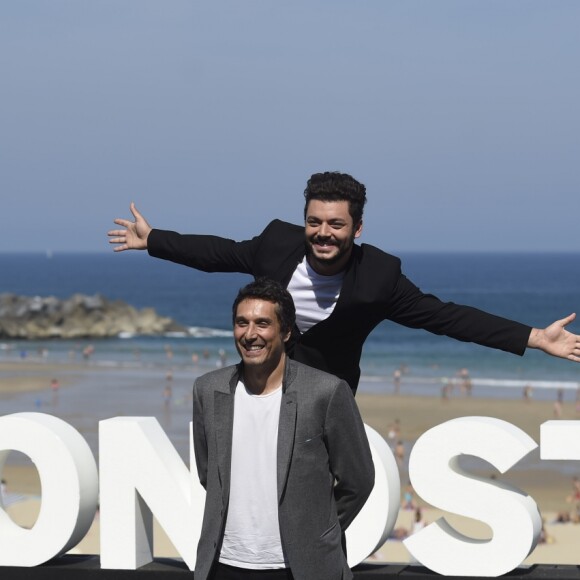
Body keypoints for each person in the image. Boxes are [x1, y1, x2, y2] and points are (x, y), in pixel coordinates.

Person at [108, 172, 580, 394]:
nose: (323, 234)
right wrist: (155, 241)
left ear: (357, 229)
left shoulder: (379, 278)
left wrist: (536, 338)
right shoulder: (276, 244)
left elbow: (446, 317)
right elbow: (219, 253)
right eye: (314, 222)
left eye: (336, 224)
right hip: (259, 383)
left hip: (324, 395)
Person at [191, 279, 374, 580]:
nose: (250, 334)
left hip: (300, 568)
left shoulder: (326, 392)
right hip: (223, 565)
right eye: (242, 323)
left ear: (286, 332)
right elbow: (207, 472)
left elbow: (359, 479)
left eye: (263, 323)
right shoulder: (208, 389)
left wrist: (318, 532)